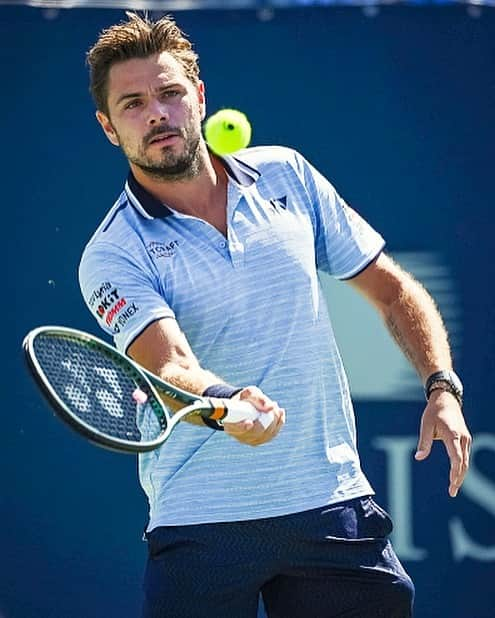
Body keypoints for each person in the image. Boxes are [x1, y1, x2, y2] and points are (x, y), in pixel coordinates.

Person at [79, 12, 471, 618]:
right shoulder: (112, 253)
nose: (157, 113)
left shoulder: (285, 174)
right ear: (108, 127)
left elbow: (393, 291)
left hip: (329, 500)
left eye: (170, 93)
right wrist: (226, 401)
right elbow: (168, 363)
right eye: (132, 104)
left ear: (199, 98)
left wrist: (441, 385)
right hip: (203, 521)